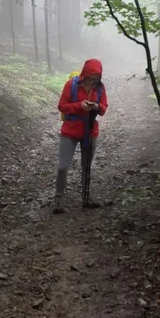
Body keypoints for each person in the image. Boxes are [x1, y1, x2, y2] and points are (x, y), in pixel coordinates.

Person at [53, 59, 108, 213]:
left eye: (97, 76)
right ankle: (58, 198)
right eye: (92, 75)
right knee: (62, 166)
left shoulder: (100, 88)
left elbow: (103, 108)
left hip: (90, 131)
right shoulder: (71, 85)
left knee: (86, 167)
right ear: (85, 74)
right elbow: (61, 106)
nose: (94, 79)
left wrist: (96, 106)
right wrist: (79, 106)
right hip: (70, 130)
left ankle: (86, 197)